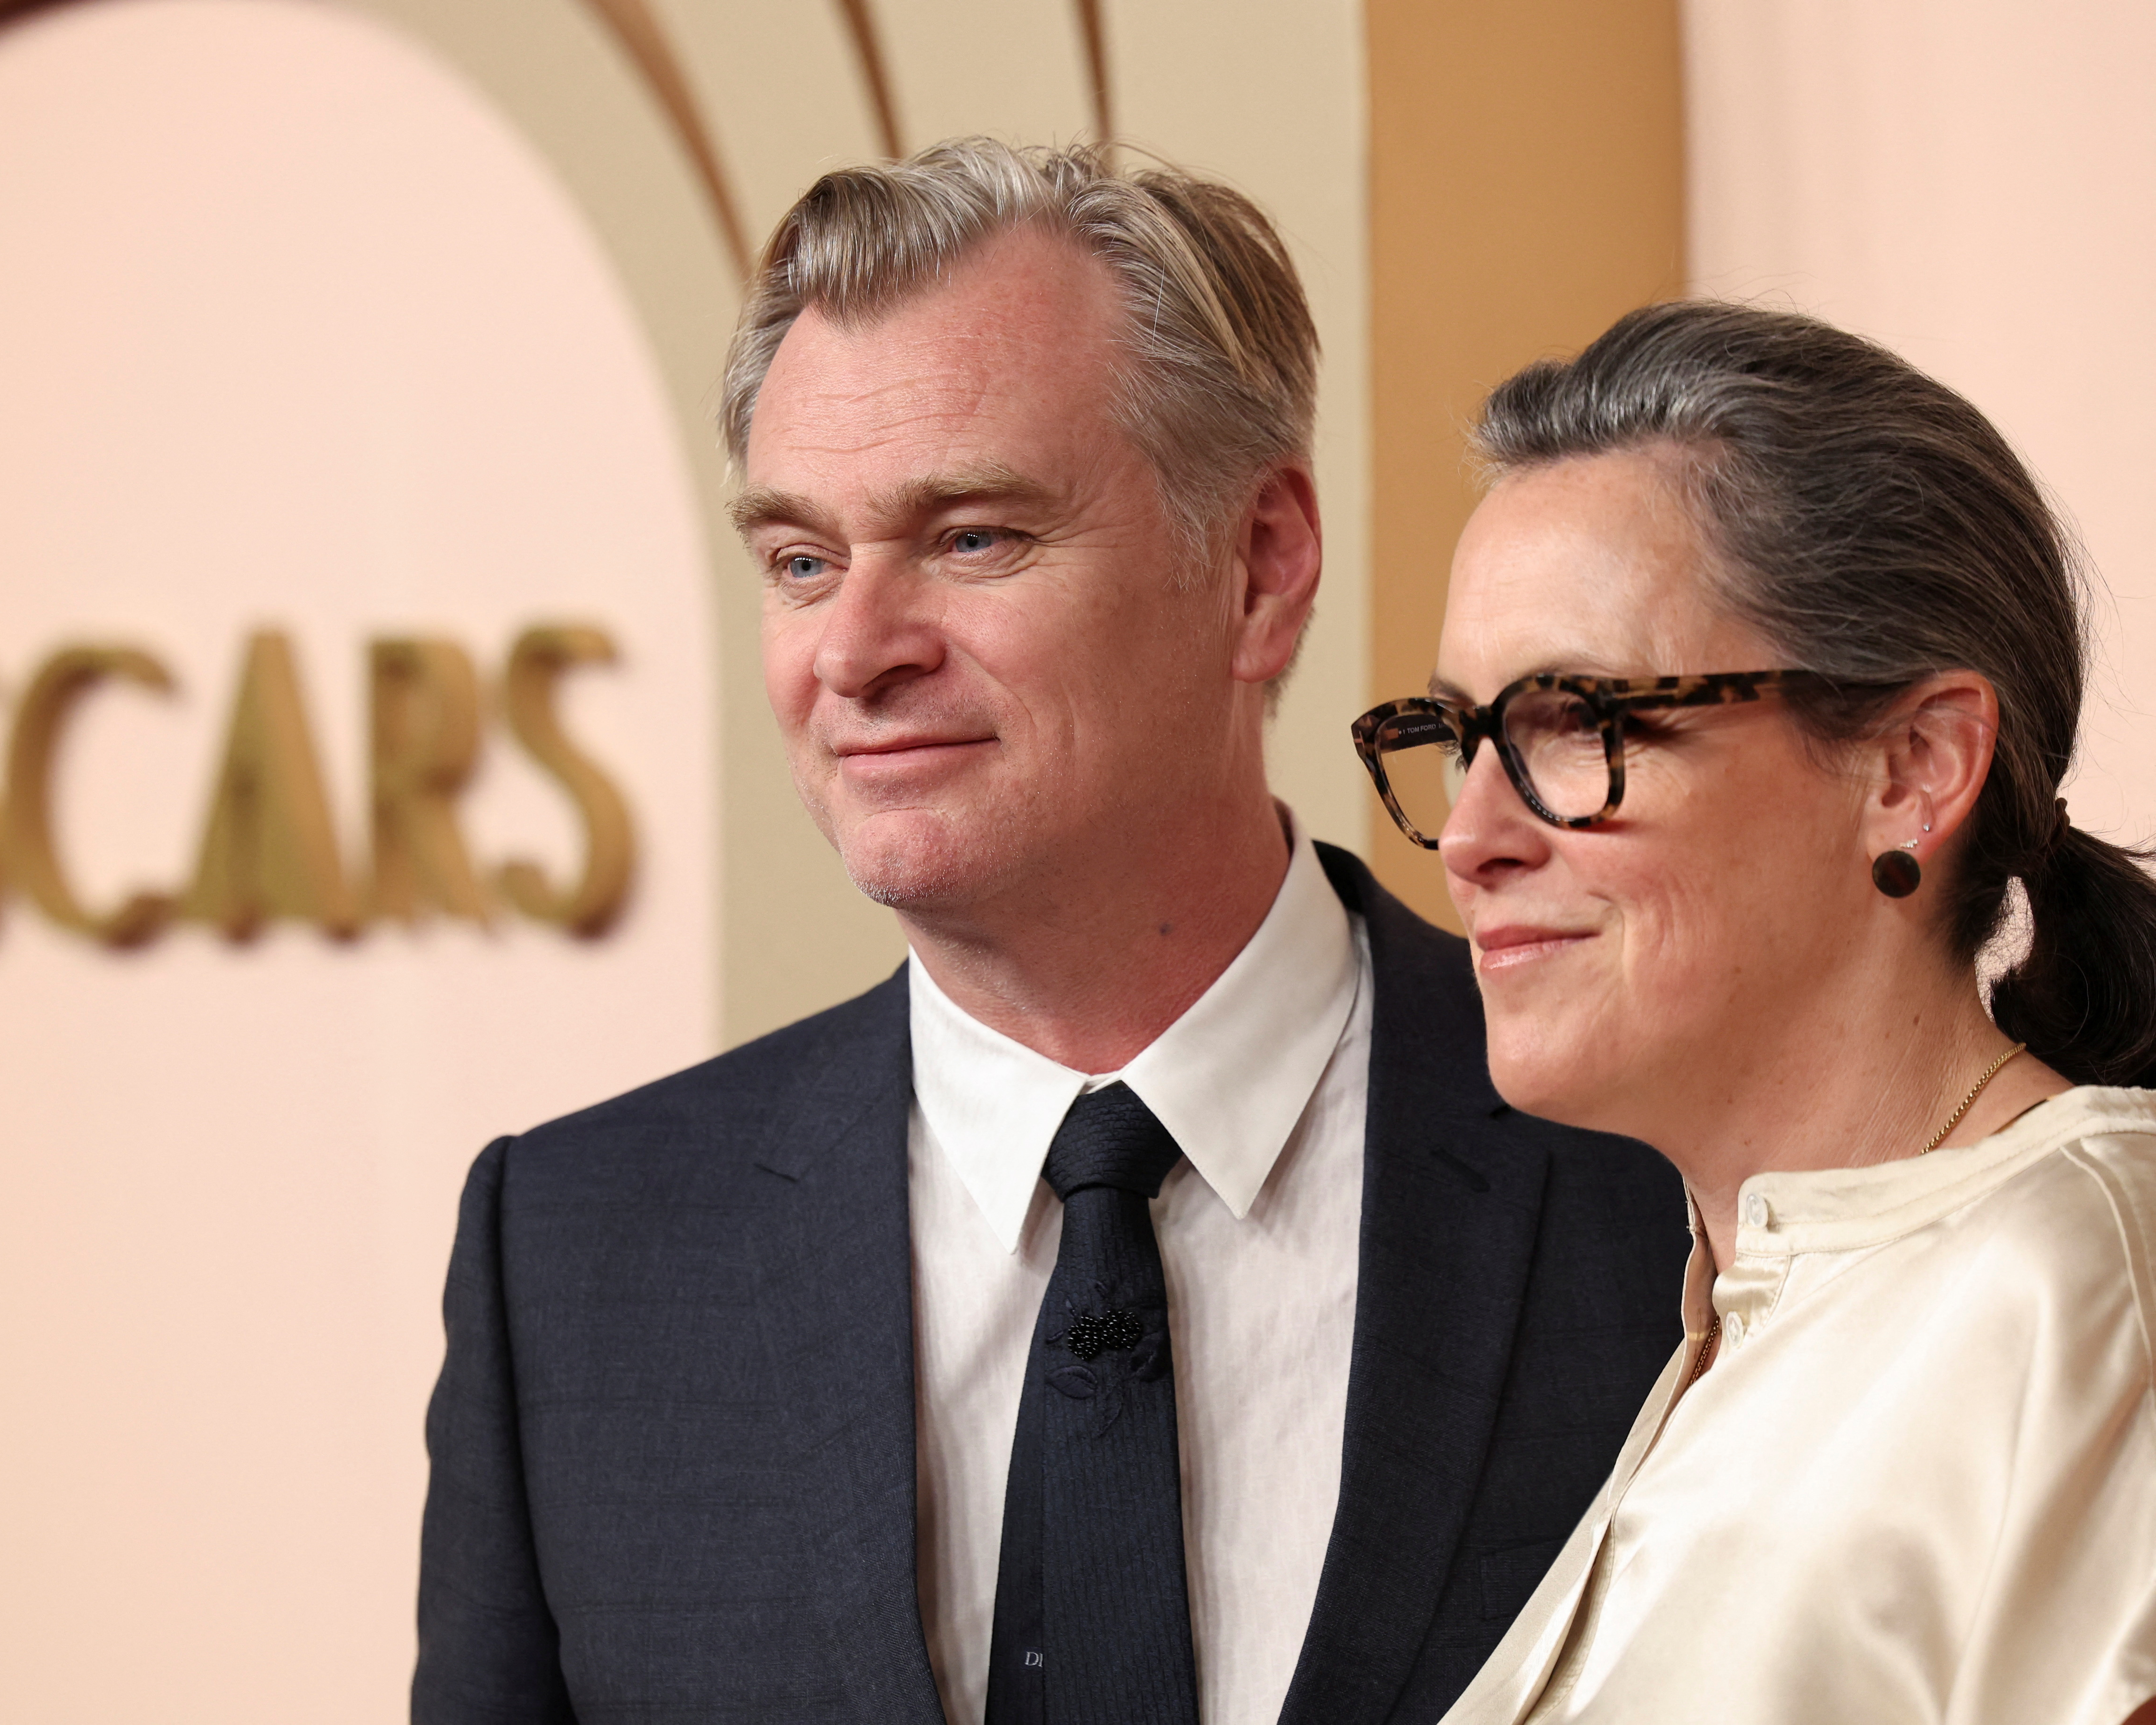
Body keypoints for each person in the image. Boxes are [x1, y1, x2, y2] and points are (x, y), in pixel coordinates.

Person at [413, 139, 1686, 1725]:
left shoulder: (1667, 1182)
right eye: (802, 561)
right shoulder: (578, 1251)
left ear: (1259, 569)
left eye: (972, 538)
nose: (856, 651)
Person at [1343, 299, 2156, 1725]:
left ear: (1911, 765)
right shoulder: (1742, 1324)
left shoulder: (2079, 1290)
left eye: (1576, 723)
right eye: (1461, 737)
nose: (1470, 835)